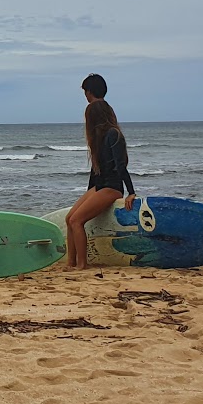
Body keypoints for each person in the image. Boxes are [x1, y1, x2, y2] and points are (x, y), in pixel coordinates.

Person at [64, 73, 137, 270]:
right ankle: (70, 263)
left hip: (112, 187)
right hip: (100, 186)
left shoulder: (113, 134)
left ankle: (82, 265)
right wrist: (89, 193)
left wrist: (131, 192)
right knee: (69, 219)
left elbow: (121, 166)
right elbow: (95, 170)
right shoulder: (98, 138)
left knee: (77, 220)